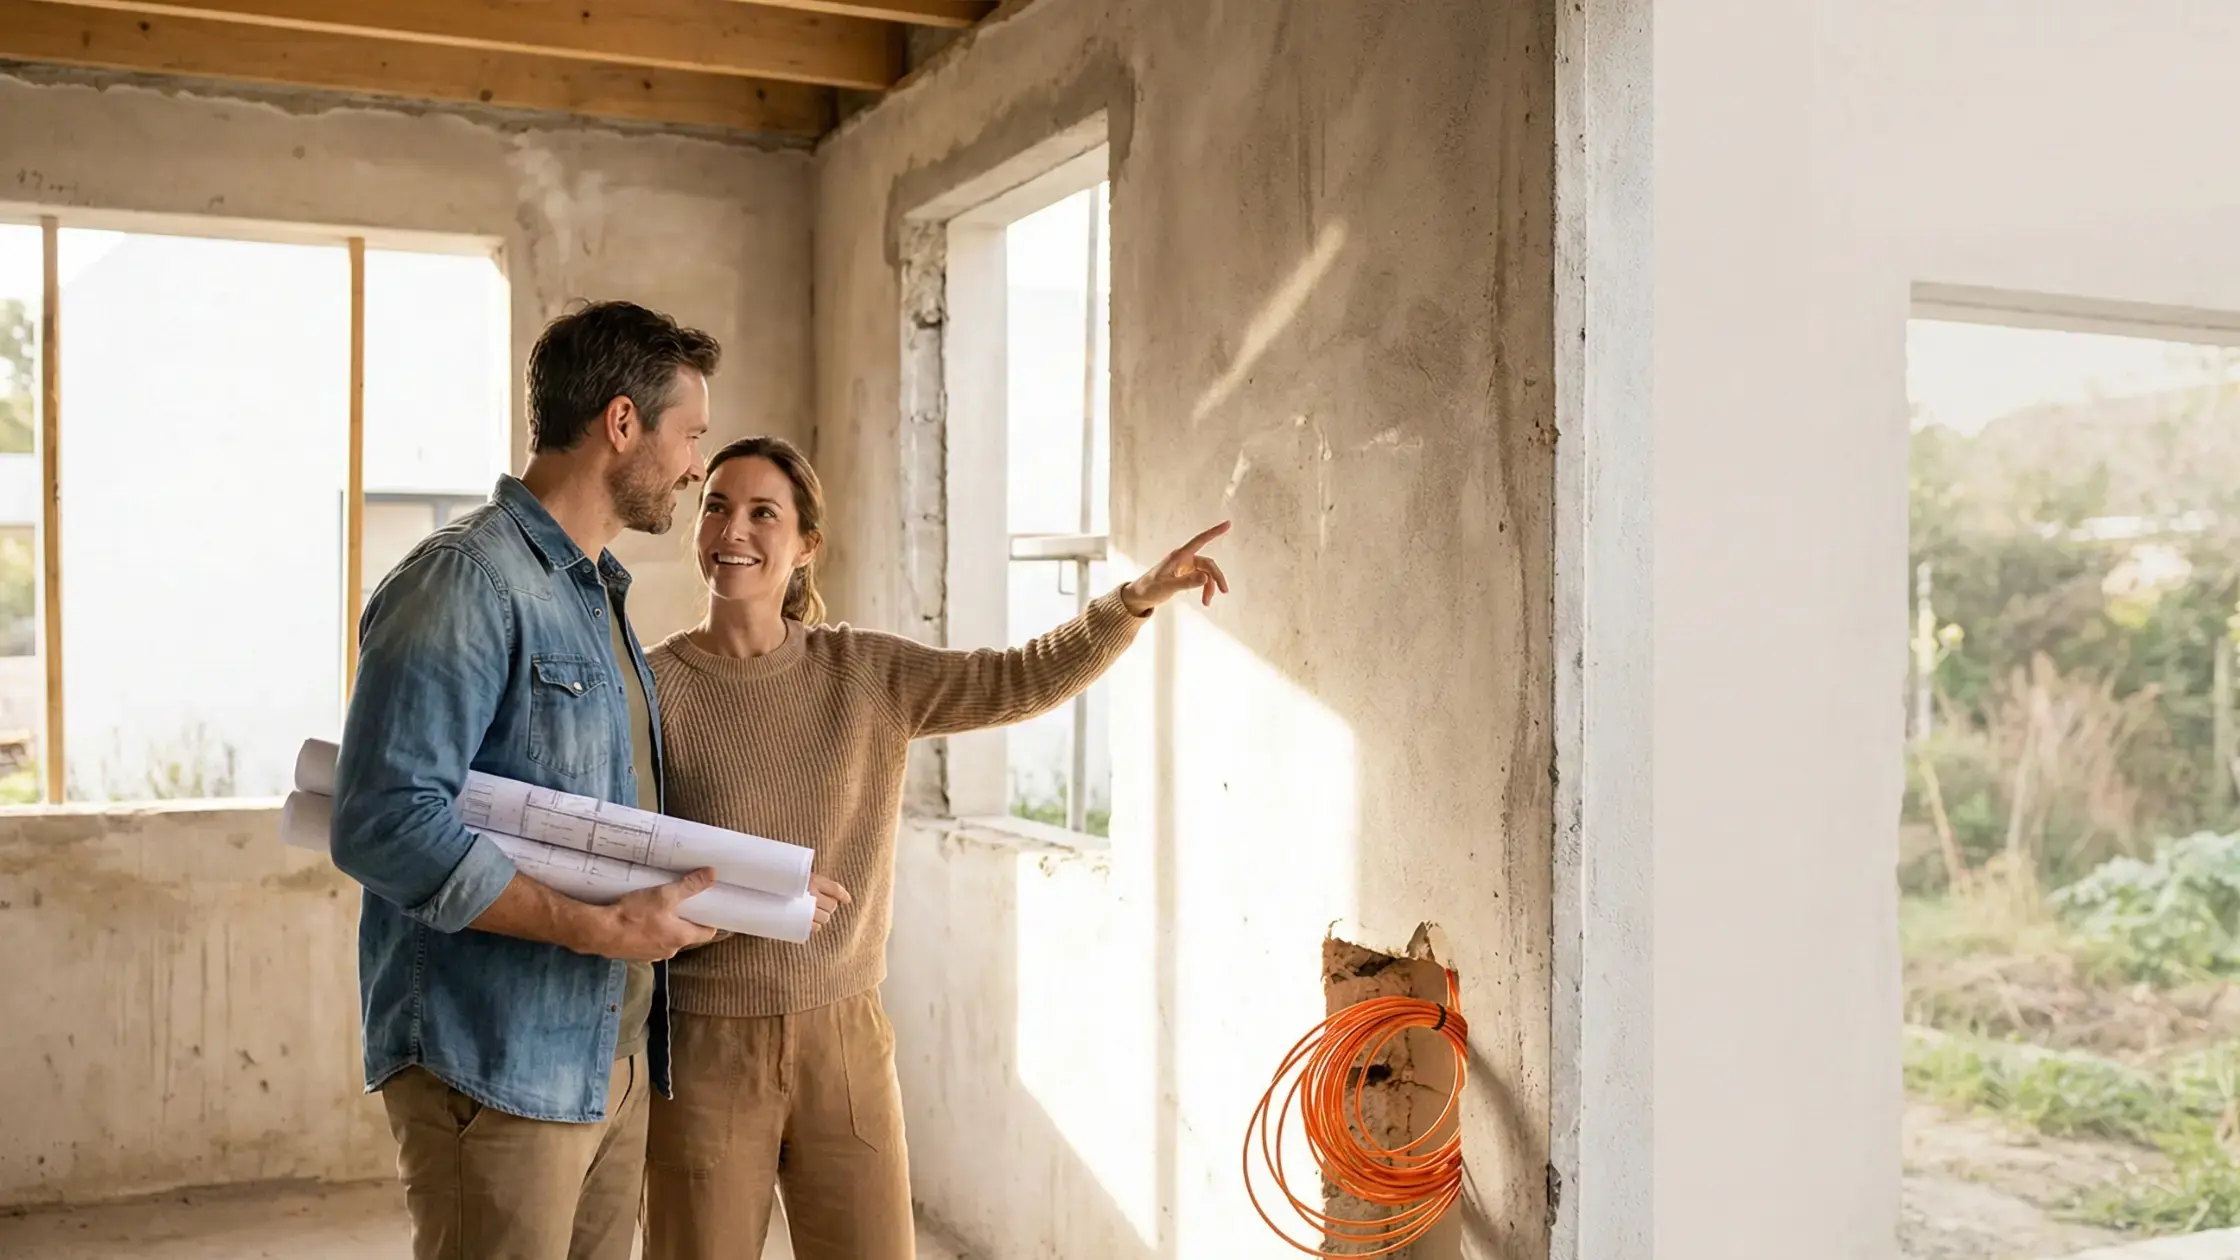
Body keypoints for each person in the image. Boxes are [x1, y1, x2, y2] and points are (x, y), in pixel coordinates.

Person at [330, 302, 842, 1260]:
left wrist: (759, 891)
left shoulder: (595, 596)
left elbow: (615, 832)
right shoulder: (465, 581)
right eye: (689, 438)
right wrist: (601, 930)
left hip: (609, 1058)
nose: (697, 467)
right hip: (495, 1063)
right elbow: (385, 822)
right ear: (621, 425)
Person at [641, 435, 1232, 1260]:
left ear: (806, 543)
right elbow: (628, 858)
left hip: (844, 1035)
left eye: (762, 512)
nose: (732, 528)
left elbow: (1013, 679)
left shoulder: (866, 673)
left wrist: (1132, 601)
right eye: (716, 505)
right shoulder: (650, 686)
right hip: (702, 1041)